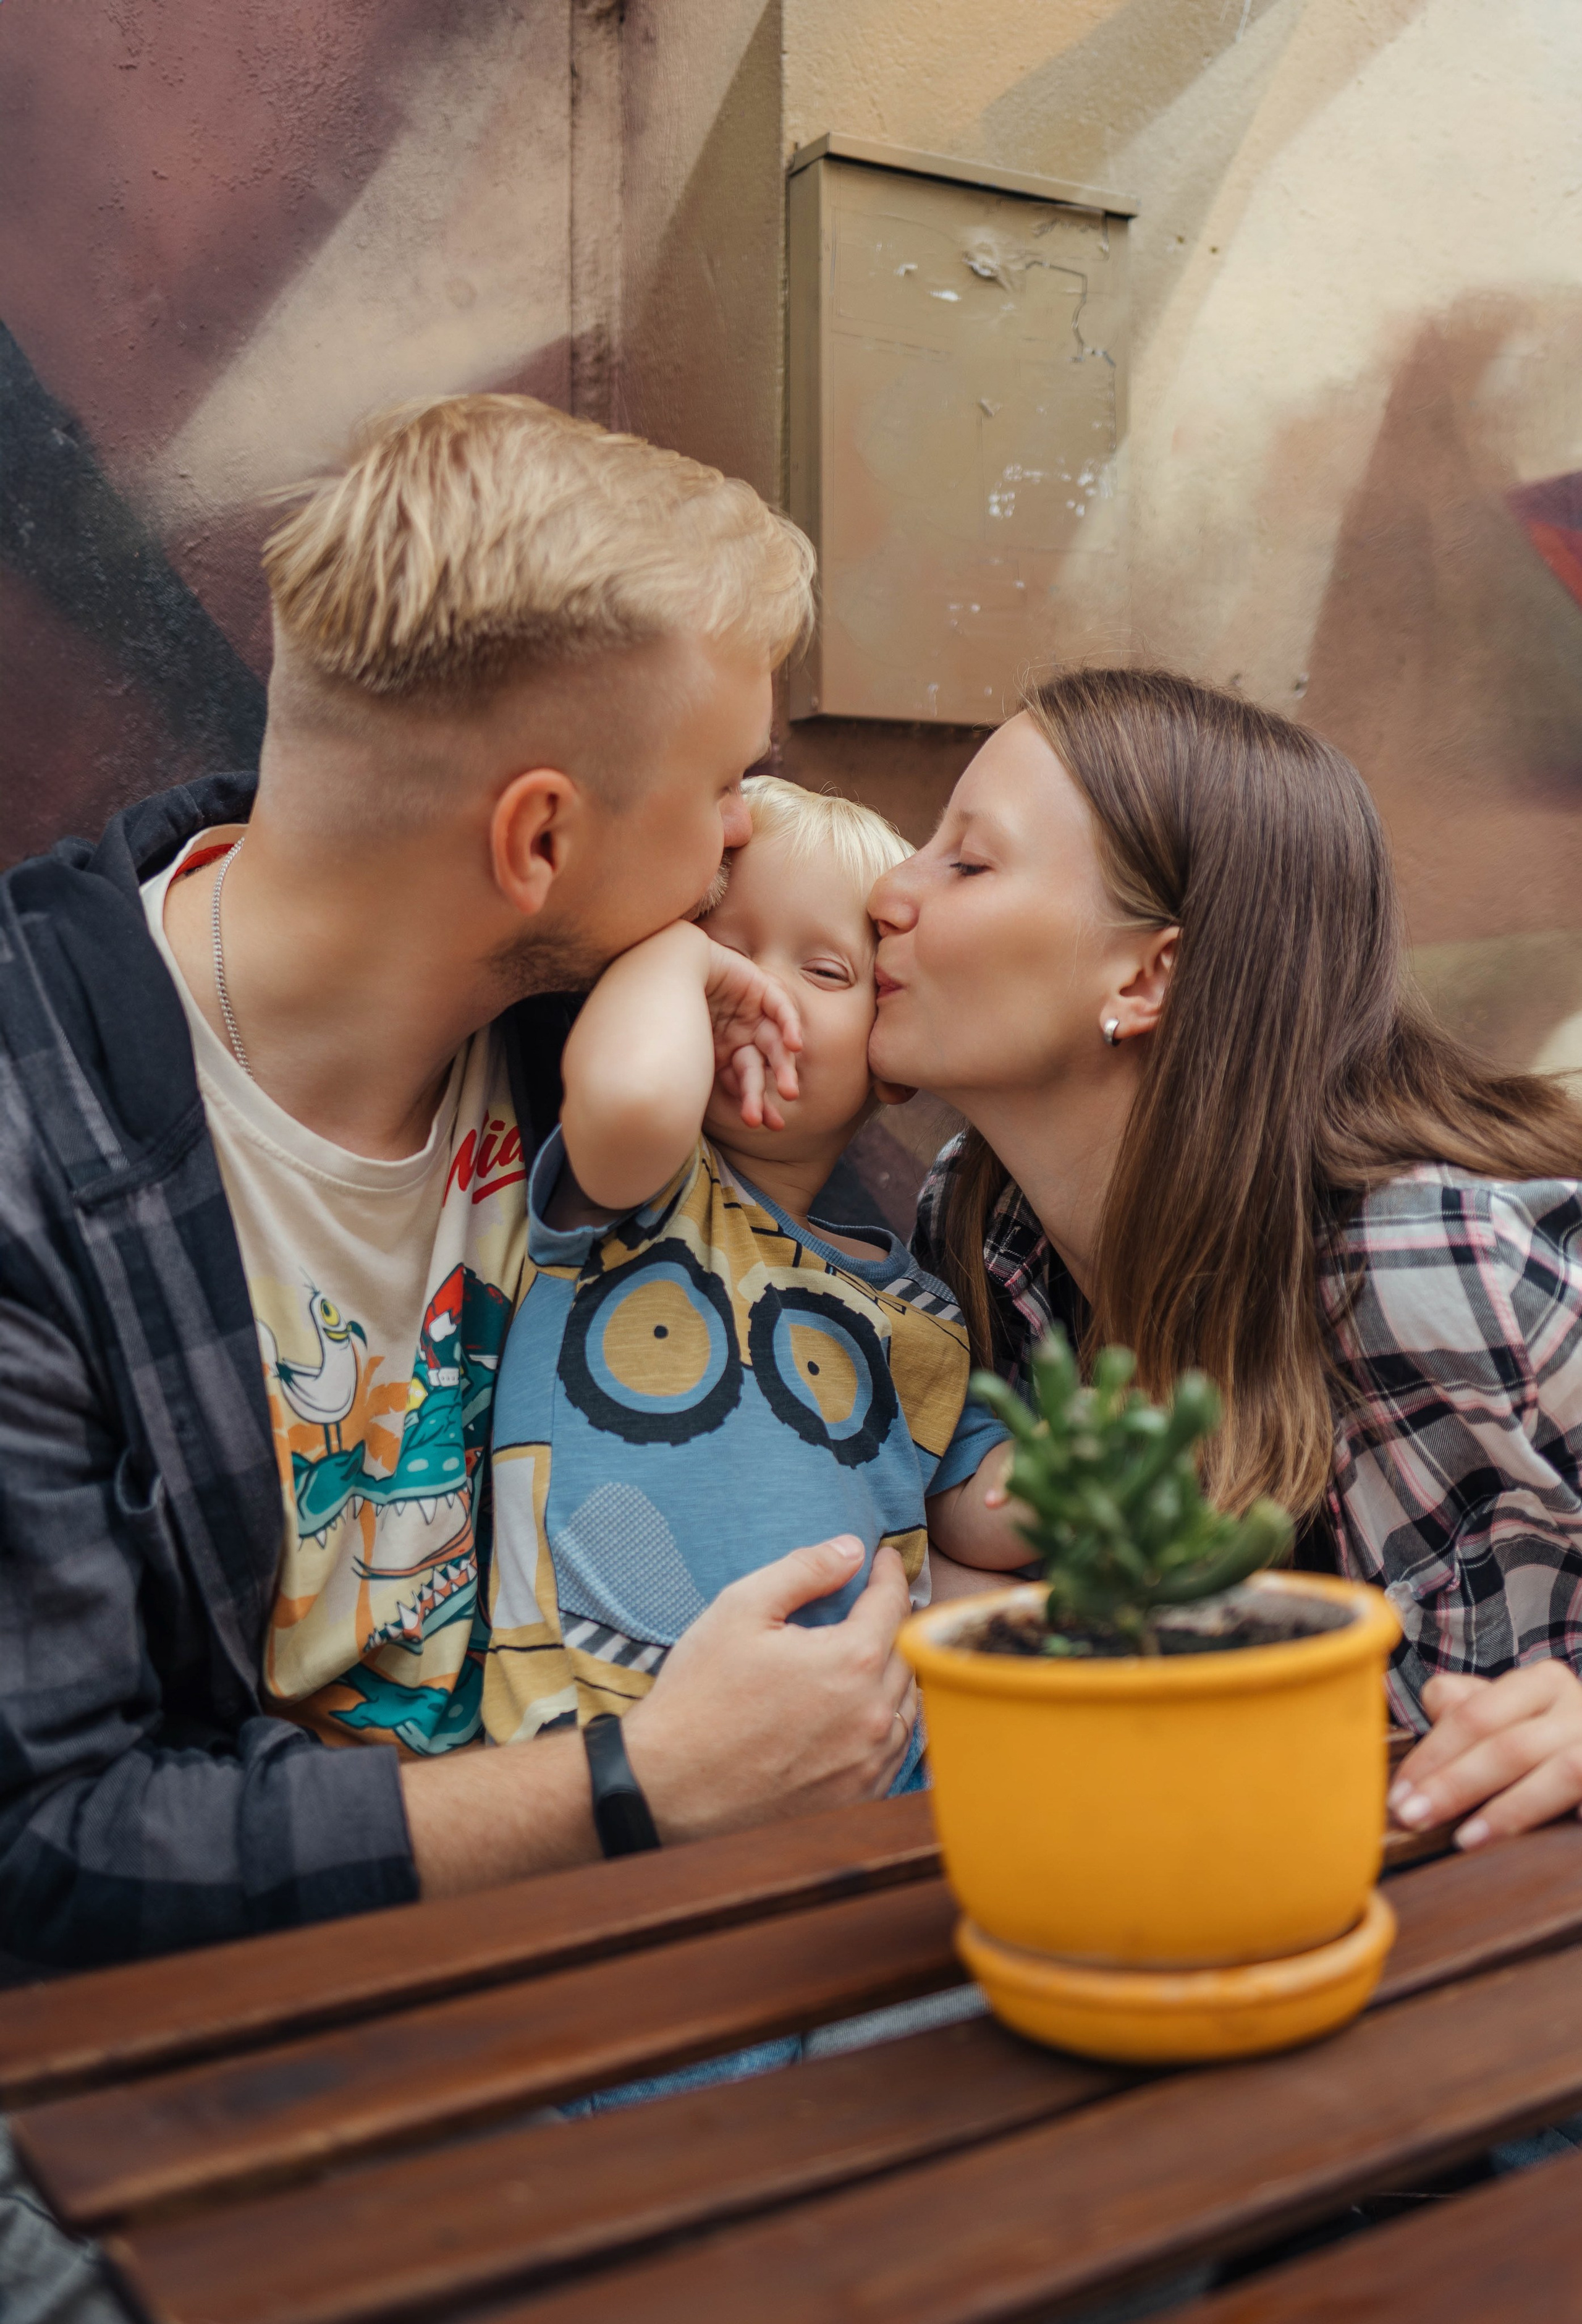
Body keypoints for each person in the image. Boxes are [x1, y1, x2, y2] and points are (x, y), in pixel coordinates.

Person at [0, 393, 921, 1978]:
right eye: (723, 793)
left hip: (654, 1963)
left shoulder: (606, 1026)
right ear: (539, 838)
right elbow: (49, 1854)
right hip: (230, 2055)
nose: (733, 847)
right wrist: (644, 1784)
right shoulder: (36, 1140)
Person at [868, 665, 1582, 1855]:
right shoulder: (984, 1236)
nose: (888, 890)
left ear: (1147, 976)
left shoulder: (1434, 1264)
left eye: (966, 860)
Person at [481, 776, 1022, 1765]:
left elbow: (986, 1518)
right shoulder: (640, 1191)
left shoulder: (915, 1311)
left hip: (855, 1764)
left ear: (888, 1050)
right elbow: (638, 1093)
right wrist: (679, 960)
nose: (758, 992)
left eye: (821, 971)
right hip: (599, 1757)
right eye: (725, 947)